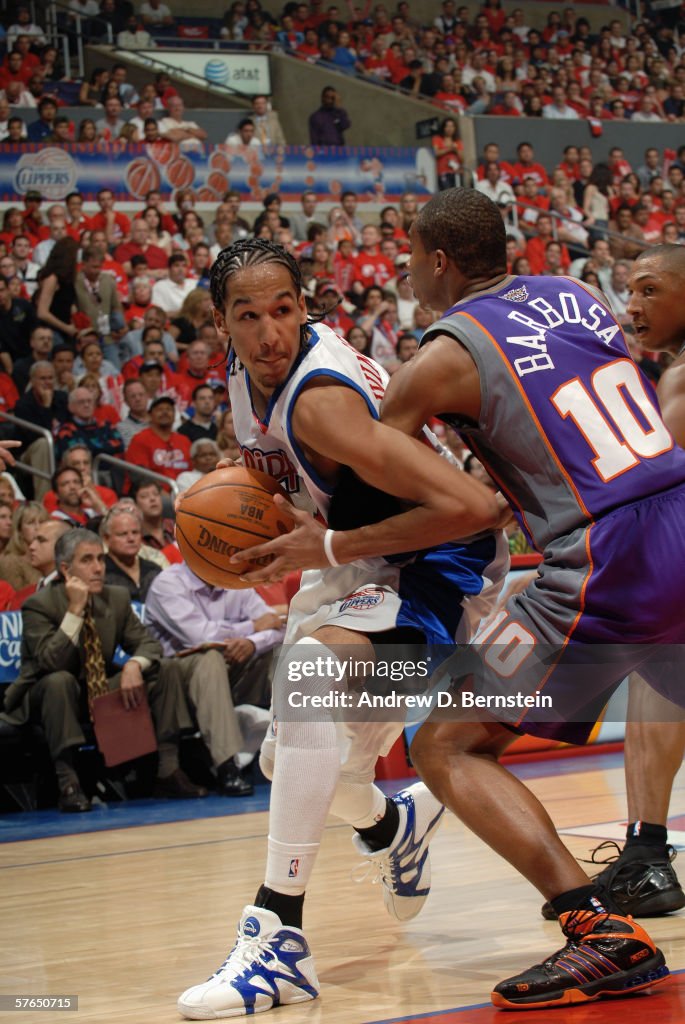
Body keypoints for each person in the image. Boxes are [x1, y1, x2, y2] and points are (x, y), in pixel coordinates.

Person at [176, 238, 506, 1019]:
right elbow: (275, 461)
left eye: (283, 312)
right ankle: (399, 822)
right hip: (358, 558)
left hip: (437, 572)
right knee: (301, 762)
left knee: (306, 688)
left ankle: (276, 937)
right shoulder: (247, 371)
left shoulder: (321, 397)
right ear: (220, 322)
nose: (268, 334)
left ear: (306, 306)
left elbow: (472, 506)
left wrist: (321, 543)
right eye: (248, 316)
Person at [0, 528, 204, 812]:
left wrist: (134, 664)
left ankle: (168, 770)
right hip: (46, 697)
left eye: (100, 559)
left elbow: (149, 645)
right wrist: (74, 610)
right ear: (64, 569)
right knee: (59, 681)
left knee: (165, 669)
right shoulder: (39, 604)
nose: (97, 568)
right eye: (86, 560)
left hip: (97, 689)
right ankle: (67, 782)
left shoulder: (116, 598)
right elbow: (49, 663)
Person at [101, 502, 161, 602]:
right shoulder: (100, 572)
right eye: (123, 534)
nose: (131, 539)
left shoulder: (153, 570)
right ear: (107, 539)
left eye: (135, 532)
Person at [125, 395, 191, 482]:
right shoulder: (140, 439)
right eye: (159, 409)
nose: (165, 412)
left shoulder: (184, 441)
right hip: (153, 492)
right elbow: (139, 475)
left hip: (185, 491)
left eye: (169, 409)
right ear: (150, 415)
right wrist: (161, 492)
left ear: (175, 415)